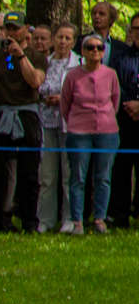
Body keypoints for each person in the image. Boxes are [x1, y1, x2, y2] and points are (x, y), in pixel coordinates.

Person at [0, 11, 49, 232]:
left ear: (26, 29)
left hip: (26, 116)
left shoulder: (36, 56)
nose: (11, 33)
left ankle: (29, 222)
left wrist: (21, 56)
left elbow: (35, 81)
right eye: (8, 28)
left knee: (28, 172)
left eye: (16, 28)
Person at [59, 32, 119, 235]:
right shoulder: (73, 75)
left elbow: (115, 102)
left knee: (103, 177)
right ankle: (77, 221)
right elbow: (64, 105)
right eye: (91, 48)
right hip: (79, 132)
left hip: (107, 132)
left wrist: (105, 120)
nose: (95, 51)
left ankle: (100, 219)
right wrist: (77, 123)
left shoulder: (110, 74)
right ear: (82, 52)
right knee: (78, 177)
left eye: (99, 48)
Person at [37, 24, 80, 232]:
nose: (63, 41)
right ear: (53, 40)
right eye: (60, 37)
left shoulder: (79, 64)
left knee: (68, 175)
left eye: (67, 38)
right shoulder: (43, 62)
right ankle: (45, 220)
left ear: (73, 41)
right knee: (47, 176)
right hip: (45, 124)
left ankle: (69, 219)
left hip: (69, 125)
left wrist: (62, 99)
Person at [112, 14, 139, 227]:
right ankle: (120, 214)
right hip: (125, 118)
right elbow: (114, 84)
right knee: (121, 167)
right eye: (136, 28)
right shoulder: (121, 57)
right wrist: (129, 104)